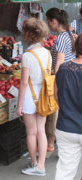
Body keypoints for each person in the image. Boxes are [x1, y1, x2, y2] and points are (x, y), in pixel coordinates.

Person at [17, 17, 50, 176]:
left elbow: (23, 83)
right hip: (44, 94)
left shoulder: (27, 55)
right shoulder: (47, 53)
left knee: (31, 132)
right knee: (41, 131)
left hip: (30, 95)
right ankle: (41, 165)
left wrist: (19, 105)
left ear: (28, 34)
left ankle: (34, 163)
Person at [45, 8, 76, 152]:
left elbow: (60, 63)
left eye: (48, 21)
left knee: (57, 114)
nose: (48, 24)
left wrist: (55, 83)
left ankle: (53, 144)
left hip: (63, 80)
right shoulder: (69, 35)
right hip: (70, 78)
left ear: (55, 21)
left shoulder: (62, 37)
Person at [54, 33, 82, 180]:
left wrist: (67, 109)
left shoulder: (63, 69)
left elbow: (56, 96)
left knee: (64, 172)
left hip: (66, 127)